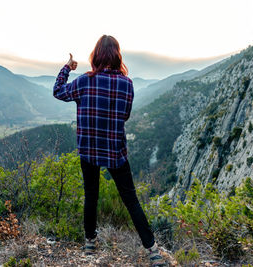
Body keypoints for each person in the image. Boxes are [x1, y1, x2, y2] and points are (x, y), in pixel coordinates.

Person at [53, 35, 165, 266]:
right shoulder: (127, 84)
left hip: (89, 149)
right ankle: (152, 251)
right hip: (115, 150)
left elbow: (58, 91)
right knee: (131, 200)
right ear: (117, 56)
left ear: (96, 55)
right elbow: (124, 116)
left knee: (91, 196)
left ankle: (90, 242)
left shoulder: (84, 81)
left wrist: (67, 67)